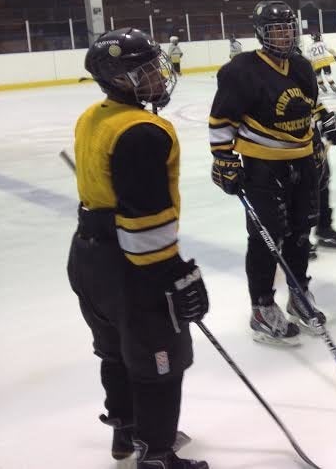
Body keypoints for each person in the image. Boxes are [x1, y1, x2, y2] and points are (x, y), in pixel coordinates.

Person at [71, 28, 209, 468]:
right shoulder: (144, 133)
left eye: (153, 65)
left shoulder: (94, 116)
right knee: (160, 357)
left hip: (89, 259)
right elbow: (144, 221)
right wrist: (170, 277)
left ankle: (125, 435)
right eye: (142, 70)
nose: (155, 75)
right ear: (117, 79)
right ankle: (157, 452)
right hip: (130, 265)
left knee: (113, 348)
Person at [208, 1, 336, 345]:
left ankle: (298, 294)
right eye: (275, 30)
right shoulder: (242, 70)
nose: (283, 36)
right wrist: (224, 159)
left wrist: (325, 116)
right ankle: (262, 308)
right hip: (263, 167)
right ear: (260, 33)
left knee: (301, 233)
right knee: (267, 238)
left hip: (303, 160)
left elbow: (308, 104)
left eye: (287, 29)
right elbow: (222, 119)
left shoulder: (300, 65)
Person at [309, 106, 336, 253]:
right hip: (288, 140)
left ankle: (323, 227)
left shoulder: (306, 83)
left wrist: (325, 117)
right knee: (297, 189)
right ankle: (295, 238)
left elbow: (313, 98)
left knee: (322, 180)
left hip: (313, 142)